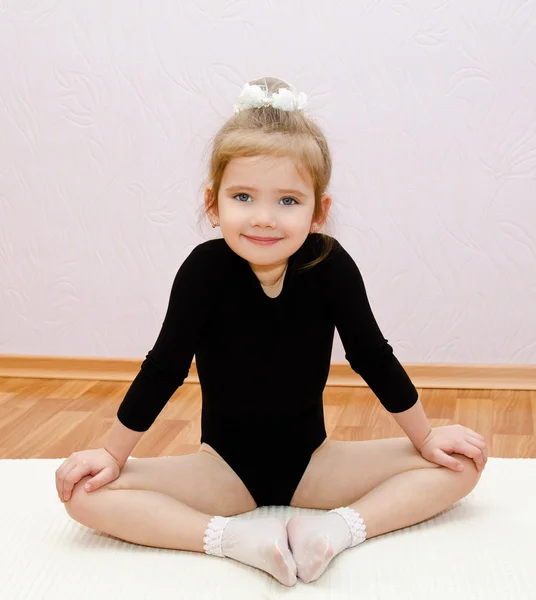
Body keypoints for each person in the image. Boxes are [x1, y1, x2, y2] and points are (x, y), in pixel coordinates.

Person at [55, 76, 488, 587]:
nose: (264, 218)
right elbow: (165, 367)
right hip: (222, 470)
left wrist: (428, 436)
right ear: (214, 204)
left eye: (287, 201)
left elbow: (373, 356)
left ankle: (336, 531)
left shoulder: (331, 266)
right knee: (84, 493)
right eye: (244, 197)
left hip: (315, 464)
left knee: (462, 464)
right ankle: (232, 539)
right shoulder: (203, 271)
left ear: (318, 210)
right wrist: (110, 455)